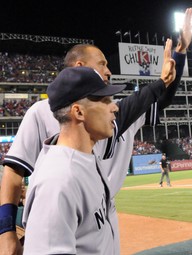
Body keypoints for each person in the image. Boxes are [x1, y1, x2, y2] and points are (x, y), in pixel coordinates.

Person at [0, 7, 192, 254]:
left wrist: (181, 52)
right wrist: (6, 232)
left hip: (102, 211)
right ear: (80, 67)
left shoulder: (111, 111)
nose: (109, 71)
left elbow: (158, 98)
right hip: (67, 213)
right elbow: (14, 173)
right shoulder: (42, 114)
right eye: (102, 64)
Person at [22, 66, 126, 254]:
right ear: (78, 112)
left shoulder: (87, 157)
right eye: (105, 100)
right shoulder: (58, 180)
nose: (115, 107)